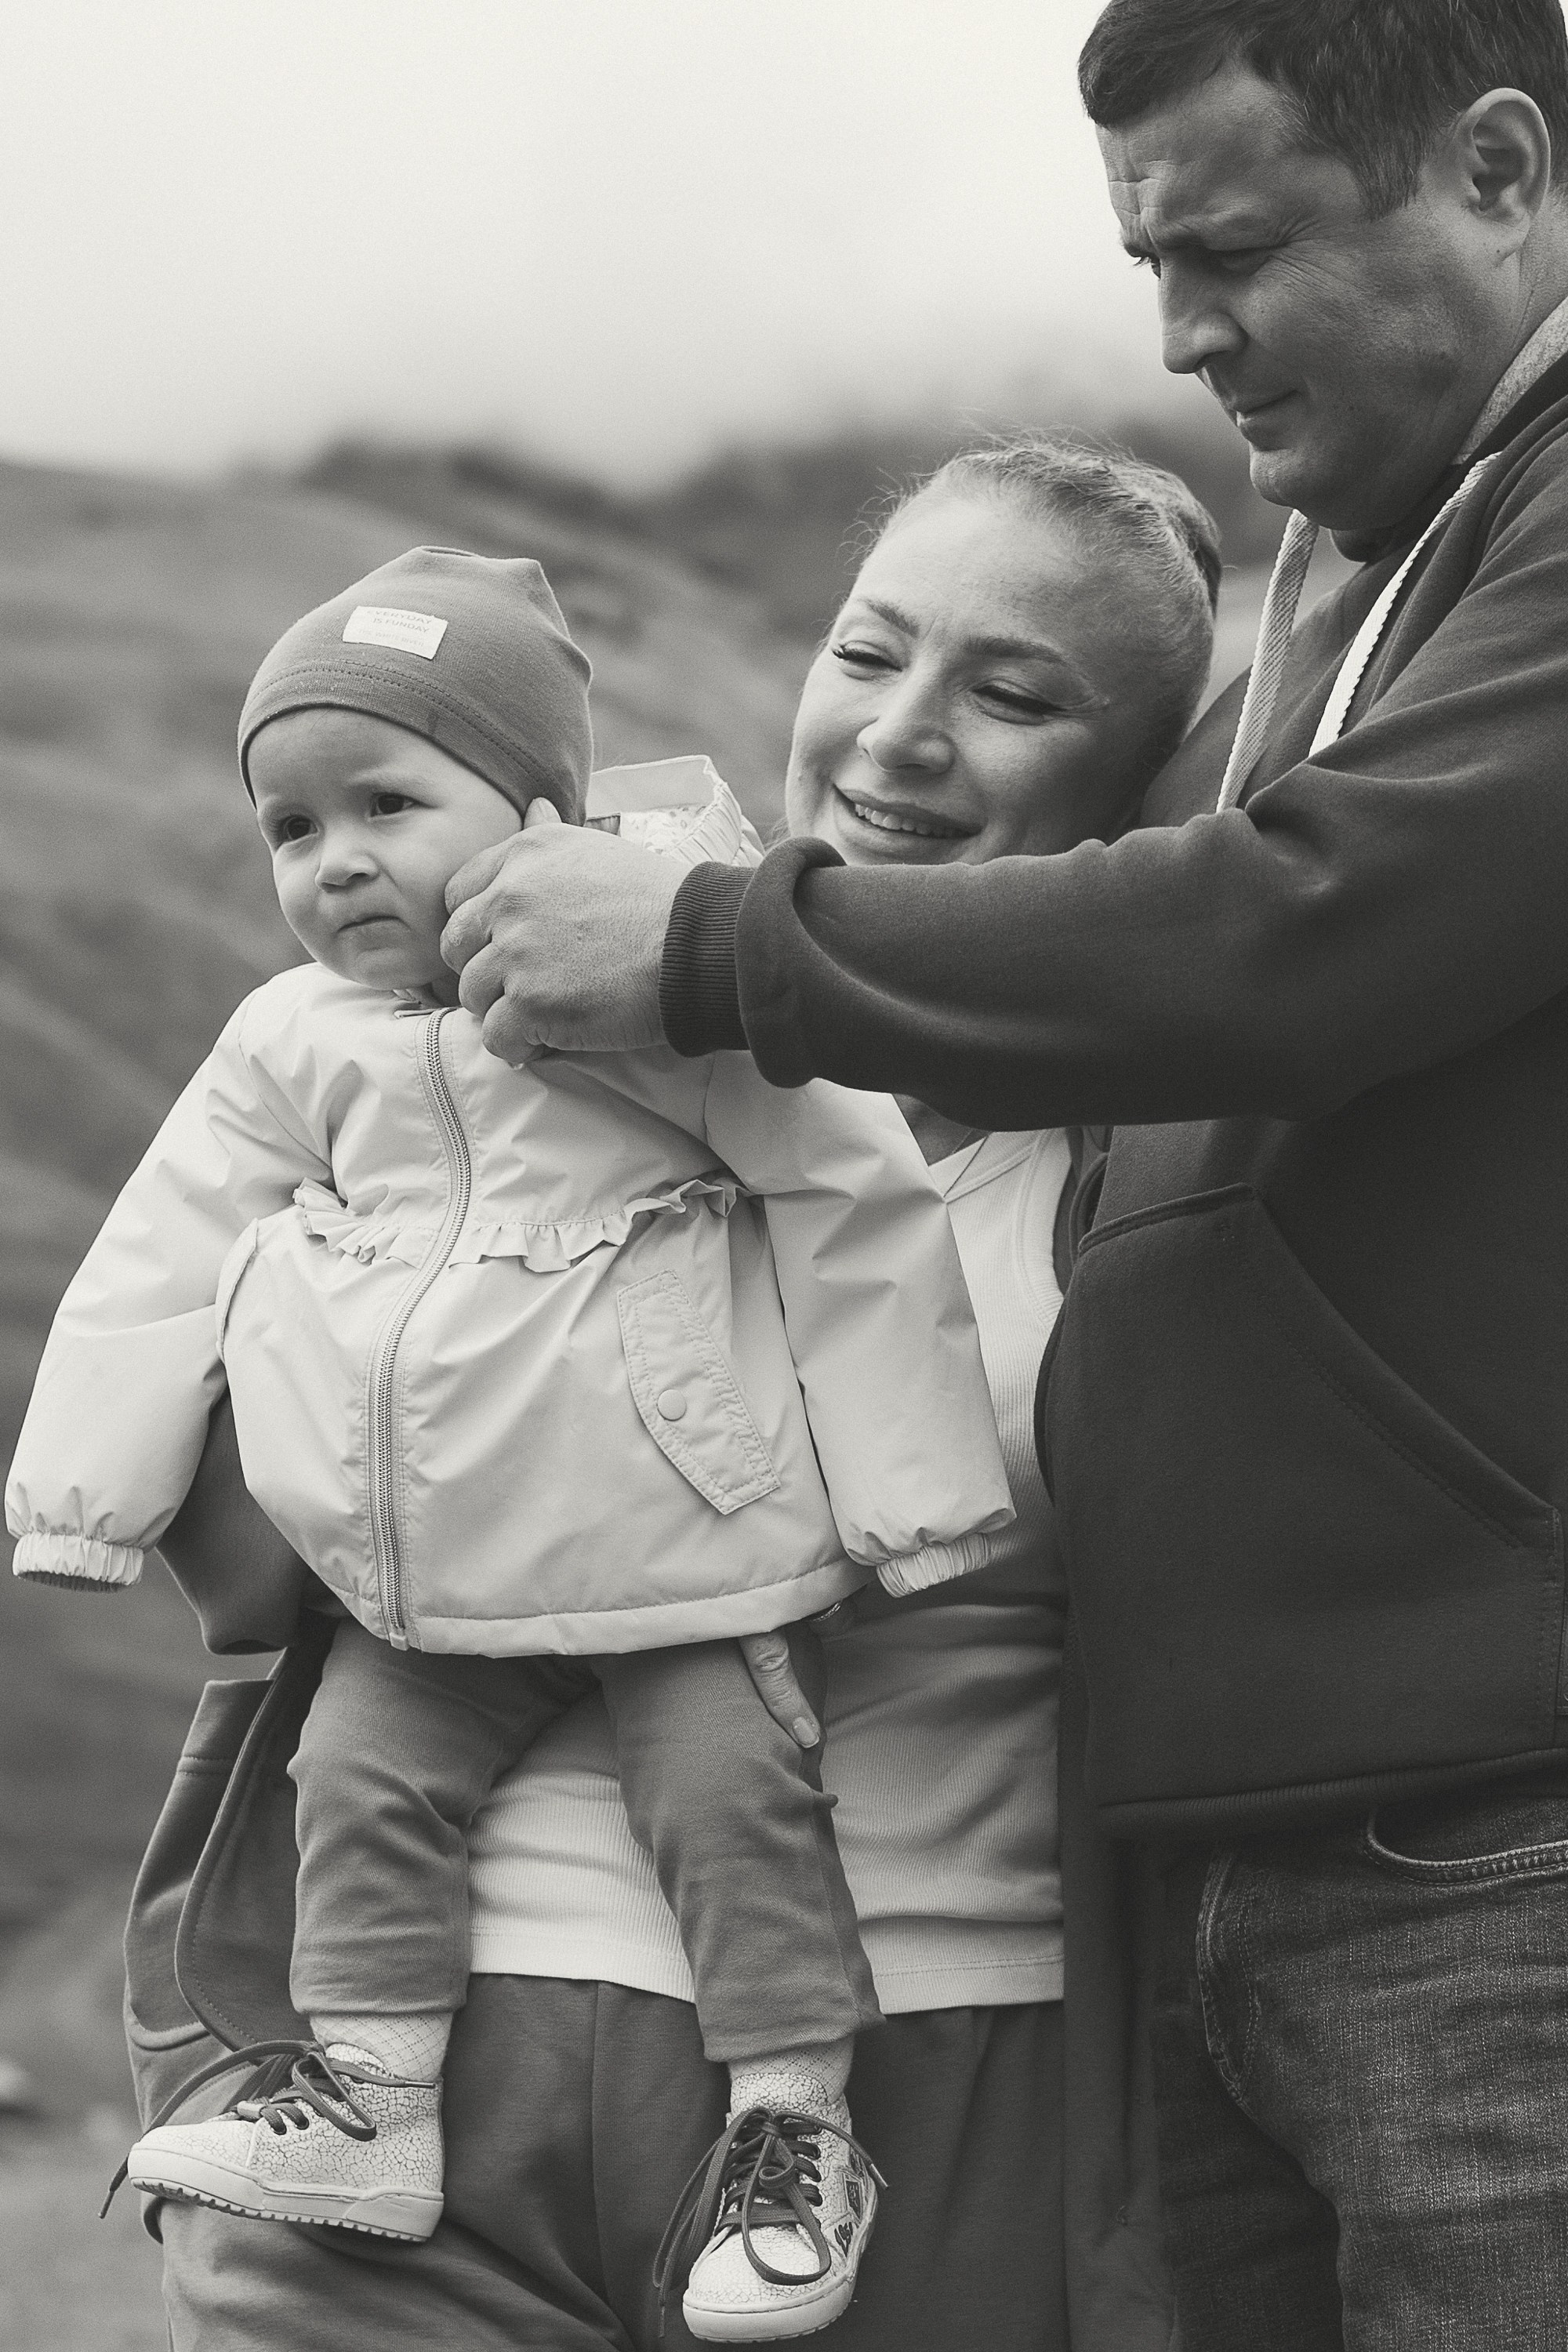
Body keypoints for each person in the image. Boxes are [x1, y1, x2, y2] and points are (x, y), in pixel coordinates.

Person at [434, 4, 1568, 2345]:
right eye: (1151, 262)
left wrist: (723, 944)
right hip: (1245, 1843)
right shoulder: (1371, 558)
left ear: (1497, 167)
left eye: (1237, 245)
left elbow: (1307, 937)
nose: (1185, 332)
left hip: (1483, 1848)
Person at [124, 437, 1221, 2352]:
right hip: (434, 2054)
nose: (896, 740)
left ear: (1138, 782)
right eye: (869, 654)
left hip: (932, 2078)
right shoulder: (487, 1046)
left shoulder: (1154, 1162)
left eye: (1013, 692)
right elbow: (239, 1561)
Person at [9, 546, 1018, 2342]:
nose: (333, 862)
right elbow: (158, 1253)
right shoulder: (289, 1041)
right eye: (290, 827)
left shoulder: (649, 989)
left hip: (685, 1555)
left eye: (386, 803)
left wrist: (920, 1505)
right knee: (357, 1780)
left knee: (733, 1804)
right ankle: (377, 2106)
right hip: (437, 1582)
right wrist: (85, 1498)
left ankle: (791, 2131)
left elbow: (850, 1204)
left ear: (543, 808)